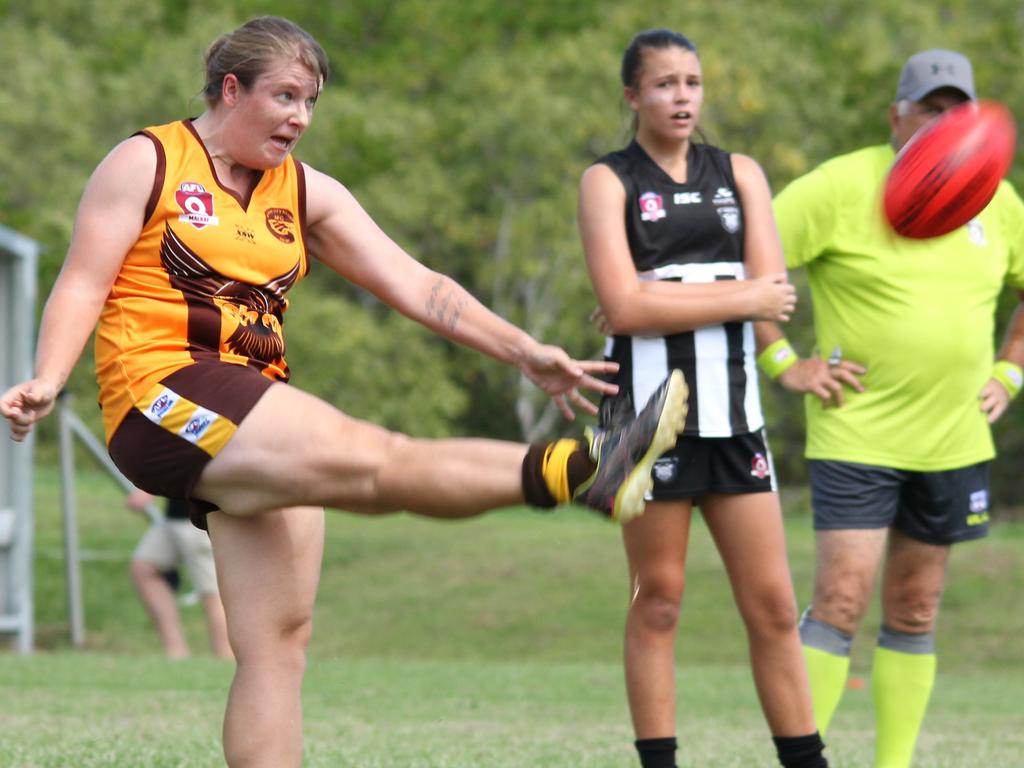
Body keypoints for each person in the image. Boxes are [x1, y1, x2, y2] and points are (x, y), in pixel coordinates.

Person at [0, 16, 689, 768]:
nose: (300, 117)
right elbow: (81, 281)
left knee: (278, 645)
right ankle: (582, 472)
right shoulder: (147, 161)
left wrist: (525, 352)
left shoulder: (304, 191)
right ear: (231, 90)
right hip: (161, 391)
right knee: (372, 457)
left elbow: (420, 286)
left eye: (312, 101)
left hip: (248, 400)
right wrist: (48, 378)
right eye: (285, 96)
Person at [764, 49, 1024, 768]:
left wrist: (1011, 369)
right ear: (896, 115)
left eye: (957, 112)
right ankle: (803, 760)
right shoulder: (839, 185)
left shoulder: (996, 199)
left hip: (953, 437)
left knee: (915, 609)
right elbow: (752, 264)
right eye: (930, 110)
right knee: (841, 602)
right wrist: (784, 363)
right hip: (857, 433)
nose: (945, 124)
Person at [579, 29, 828, 768]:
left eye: (691, 82)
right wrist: (728, 293)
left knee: (776, 607)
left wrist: (670, 294)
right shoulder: (608, 180)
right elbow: (623, 310)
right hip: (642, 420)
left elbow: (774, 297)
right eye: (663, 84)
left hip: (733, 415)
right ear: (633, 96)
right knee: (657, 598)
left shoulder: (740, 173)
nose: (680, 96)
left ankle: (807, 760)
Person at [125, 489, 233, 659]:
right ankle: (176, 654)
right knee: (144, 568)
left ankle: (226, 656)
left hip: (199, 520)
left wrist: (149, 491)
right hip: (172, 519)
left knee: (212, 593)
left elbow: (199, 463)